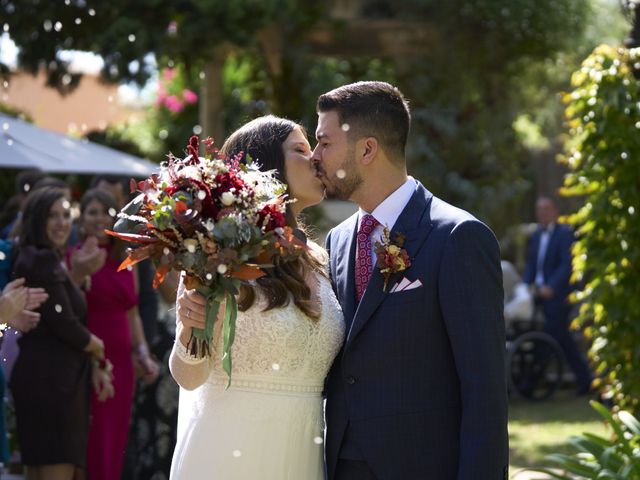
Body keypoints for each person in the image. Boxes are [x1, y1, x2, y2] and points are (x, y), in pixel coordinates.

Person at [313, 81, 509, 479]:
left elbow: (484, 389)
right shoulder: (337, 240)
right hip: (342, 464)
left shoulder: (457, 237)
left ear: (367, 149)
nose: (315, 156)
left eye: (324, 143)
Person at [169, 115, 345, 479]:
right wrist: (190, 326)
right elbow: (188, 377)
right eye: (300, 149)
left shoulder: (323, 260)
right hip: (231, 451)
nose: (315, 158)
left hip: (303, 452)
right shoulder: (222, 254)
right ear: (266, 167)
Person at [9, 186, 113, 480]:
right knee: (54, 467)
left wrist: (75, 277)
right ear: (36, 219)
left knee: (38, 470)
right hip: (53, 383)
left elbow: (55, 311)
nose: (61, 223)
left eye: (66, 215)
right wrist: (97, 346)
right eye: (51, 216)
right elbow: (63, 321)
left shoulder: (36, 256)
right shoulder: (42, 260)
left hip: (43, 378)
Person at [74, 188, 158, 480]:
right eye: (92, 212)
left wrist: (143, 353)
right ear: (82, 218)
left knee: (115, 436)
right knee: (91, 434)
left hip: (122, 362)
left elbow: (133, 312)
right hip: (89, 358)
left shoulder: (127, 260)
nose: (98, 219)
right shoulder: (74, 259)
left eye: (105, 212)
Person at [522, 196, 593, 395]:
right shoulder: (536, 235)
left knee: (548, 335)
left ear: (555, 211)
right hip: (537, 295)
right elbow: (531, 265)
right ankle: (585, 380)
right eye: (539, 209)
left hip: (559, 295)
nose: (542, 213)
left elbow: (567, 264)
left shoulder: (564, 233)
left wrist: (551, 286)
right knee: (562, 338)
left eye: (546, 209)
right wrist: (525, 285)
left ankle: (530, 383)